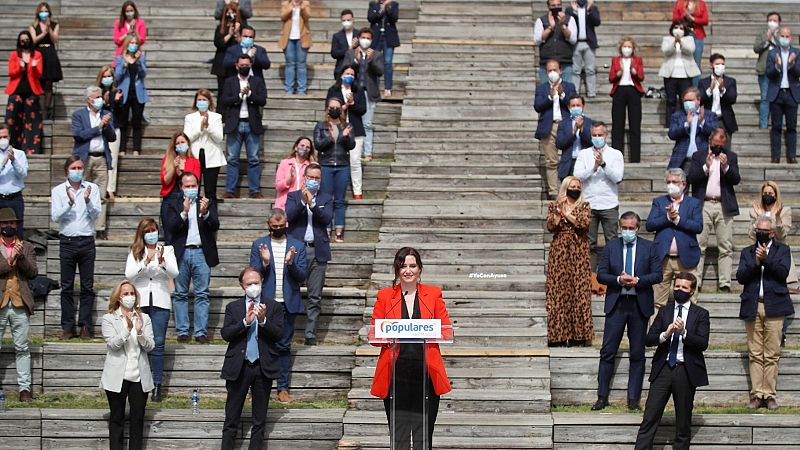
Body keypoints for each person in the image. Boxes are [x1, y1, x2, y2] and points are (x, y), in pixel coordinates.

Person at [370, 247, 451, 449]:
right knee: (400, 438)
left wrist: (428, 330)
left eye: (412, 266)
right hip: (396, 376)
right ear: (396, 270)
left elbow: (446, 329)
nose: (408, 270)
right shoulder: (384, 296)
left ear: (420, 269)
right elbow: (374, 335)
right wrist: (386, 332)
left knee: (424, 437)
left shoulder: (433, 294)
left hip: (426, 376)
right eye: (403, 266)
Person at [593, 211, 662, 411]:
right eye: (624, 228)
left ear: (638, 228)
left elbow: (657, 274)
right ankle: (602, 396)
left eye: (631, 228)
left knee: (637, 354)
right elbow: (601, 275)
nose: (628, 231)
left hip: (639, 304)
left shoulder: (649, 247)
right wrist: (618, 280)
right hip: (617, 304)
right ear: (620, 227)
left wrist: (639, 280)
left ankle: (633, 399)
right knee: (607, 352)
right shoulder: (611, 246)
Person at [634, 272, 709, 450]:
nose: (679, 290)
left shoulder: (701, 314)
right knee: (650, 417)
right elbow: (649, 339)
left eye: (684, 287)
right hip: (663, 369)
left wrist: (684, 333)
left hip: (685, 370)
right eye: (677, 286)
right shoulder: (665, 311)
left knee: (683, 421)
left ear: (692, 291)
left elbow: (702, 343)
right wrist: (665, 334)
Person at [221, 266, 283, 450]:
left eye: (256, 282)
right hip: (239, 366)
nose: (253, 286)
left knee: (259, 420)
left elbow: (279, 334)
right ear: (242, 285)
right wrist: (244, 323)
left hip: (262, 367)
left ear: (262, 282)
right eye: (249, 283)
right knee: (231, 418)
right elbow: (226, 333)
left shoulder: (274, 306)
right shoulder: (233, 307)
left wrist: (263, 321)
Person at [249, 208, 307, 403]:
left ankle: (282, 387)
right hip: (266, 302)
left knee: (283, 346)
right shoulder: (259, 244)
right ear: (268, 225)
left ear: (286, 224)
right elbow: (253, 277)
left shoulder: (297, 245)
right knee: (260, 345)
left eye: (281, 226)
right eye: (274, 227)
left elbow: (302, 277)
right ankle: (256, 386)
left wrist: (290, 263)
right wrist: (264, 263)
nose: (278, 229)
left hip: (287, 303)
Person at [737, 215, 794, 410]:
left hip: (775, 306)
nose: (760, 233)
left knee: (771, 354)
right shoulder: (747, 252)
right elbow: (741, 277)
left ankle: (769, 394)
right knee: (754, 353)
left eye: (764, 230)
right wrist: (755, 261)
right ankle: (756, 394)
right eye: (758, 230)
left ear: (772, 232)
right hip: (753, 305)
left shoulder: (783, 250)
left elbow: (782, 273)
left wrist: (766, 260)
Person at [124, 218, 178, 402]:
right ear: (142, 234)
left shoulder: (167, 249)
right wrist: (145, 261)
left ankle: (157, 384)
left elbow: (174, 273)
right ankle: (140, 381)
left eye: (154, 230)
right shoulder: (135, 251)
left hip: (161, 299)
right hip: (141, 299)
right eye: (148, 231)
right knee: (140, 340)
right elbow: (129, 275)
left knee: (159, 342)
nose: (152, 234)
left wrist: (162, 262)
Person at [162, 172, 220, 343]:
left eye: (194, 186)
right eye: (187, 186)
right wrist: (184, 213)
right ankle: (182, 331)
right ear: (181, 187)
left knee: (202, 293)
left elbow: (215, 224)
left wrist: (205, 213)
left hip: (202, 252)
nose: (191, 189)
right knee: (180, 293)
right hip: (181, 252)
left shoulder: (206, 202)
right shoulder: (173, 203)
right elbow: (170, 227)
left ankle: (201, 332)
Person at [100, 280, 154, 450]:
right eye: (125, 294)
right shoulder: (109, 318)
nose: (129, 297)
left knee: (137, 420)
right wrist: (127, 329)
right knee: (117, 419)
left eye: (132, 293)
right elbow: (113, 345)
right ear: (118, 298)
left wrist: (139, 332)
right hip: (117, 378)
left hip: (139, 377)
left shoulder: (144, 318)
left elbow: (151, 346)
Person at [51, 156, 101, 339]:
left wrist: (87, 201)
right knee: (67, 286)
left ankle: (86, 325)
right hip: (67, 242)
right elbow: (55, 217)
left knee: (87, 286)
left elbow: (96, 214)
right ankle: (68, 326)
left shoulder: (92, 188)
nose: (78, 170)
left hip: (87, 241)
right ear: (67, 170)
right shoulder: (58, 191)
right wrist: (70, 203)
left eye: (80, 167)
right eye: (74, 167)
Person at [286, 163, 333, 345]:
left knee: (315, 296)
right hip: (297, 250)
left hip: (317, 250)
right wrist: (302, 202)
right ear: (304, 177)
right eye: (310, 177)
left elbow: (326, 218)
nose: (313, 180)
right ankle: (287, 332)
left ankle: (310, 333)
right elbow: (289, 216)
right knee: (290, 291)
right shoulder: (293, 196)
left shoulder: (326, 198)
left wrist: (312, 203)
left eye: (317, 178)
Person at [687, 128, 739, 291]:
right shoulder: (698, 156)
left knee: (725, 246)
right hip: (703, 205)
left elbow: (736, 179)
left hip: (723, 205)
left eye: (721, 144)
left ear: (724, 143)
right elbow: (691, 178)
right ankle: (697, 281)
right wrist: (705, 167)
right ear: (710, 141)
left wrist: (726, 167)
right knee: (699, 244)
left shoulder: (730, 157)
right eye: (715, 144)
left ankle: (724, 283)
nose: (718, 147)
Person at [646, 168, 703, 312]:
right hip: (663, 258)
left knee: (690, 300)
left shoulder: (693, 203)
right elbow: (650, 225)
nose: (671, 184)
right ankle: (656, 332)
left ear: (683, 184)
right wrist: (667, 218)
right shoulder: (659, 202)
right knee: (658, 301)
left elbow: (698, 226)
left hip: (686, 258)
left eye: (675, 182)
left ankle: (686, 332)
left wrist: (677, 220)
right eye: (669, 182)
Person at [545, 176, 593, 346]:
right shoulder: (554, 206)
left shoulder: (584, 206)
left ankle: (578, 336)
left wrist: (567, 214)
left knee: (579, 291)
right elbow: (551, 226)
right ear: (565, 188)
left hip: (579, 250)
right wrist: (559, 211)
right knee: (558, 291)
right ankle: (558, 335)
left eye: (577, 186)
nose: (575, 189)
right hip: (560, 251)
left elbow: (583, 223)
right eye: (572, 186)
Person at [573, 121, 624, 270]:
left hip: (609, 204)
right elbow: (577, 175)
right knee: (589, 244)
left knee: (612, 242)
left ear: (606, 135)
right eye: (594, 135)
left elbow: (618, 177)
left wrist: (603, 165)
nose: (597, 138)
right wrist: (593, 167)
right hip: (589, 204)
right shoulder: (584, 154)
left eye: (600, 135)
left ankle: (612, 276)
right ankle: (590, 278)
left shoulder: (615, 154)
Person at [0, 208, 37, 402]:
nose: (8, 226)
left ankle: (25, 389)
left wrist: (20, 257)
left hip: (19, 302)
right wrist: (10, 259)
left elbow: (32, 273)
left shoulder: (27, 247)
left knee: (22, 347)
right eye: (5, 223)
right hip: (1, 302)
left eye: (12, 223)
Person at [221, 54, 267, 199]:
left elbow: (262, 100)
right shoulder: (229, 82)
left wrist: (250, 93)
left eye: (247, 64)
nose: (244, 67)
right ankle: (230, 189)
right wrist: (240, 96)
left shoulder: (257, 81)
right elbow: (225, 100)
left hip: (251, 123)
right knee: (232, 158)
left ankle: (254, 190)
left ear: (251, 65)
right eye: (242, 65)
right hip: (235, 123)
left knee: (253, 158)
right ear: (236, 66)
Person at [72, 86, 116, 239]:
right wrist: (99, 127)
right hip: (84, 159)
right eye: (96, 97)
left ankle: (99, 229)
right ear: (89, 100)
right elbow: (79, 135)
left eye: (100, 97)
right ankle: (81, 226)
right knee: (81, 194)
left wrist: (107, 125)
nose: (100, 100)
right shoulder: (78, 115)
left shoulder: (106, 114)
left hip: (101, 158)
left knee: (101, 195)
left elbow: (112, 138)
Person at [315, 97, 355, 242]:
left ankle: (339, 231)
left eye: (337, 107)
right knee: (326, 199)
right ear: (327, 109)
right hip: (326, 165)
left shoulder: (347, 125)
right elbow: (318, 145)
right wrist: (330, 138)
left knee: (339, 201)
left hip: (342, 165)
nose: (334, 109)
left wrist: (344, 137)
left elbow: (351, 145)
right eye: (331, 107)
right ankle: (326, 229)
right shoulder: (321, 126)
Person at [535, 59, 577, 199]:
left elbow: (574, 104)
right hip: (549, 126)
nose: (552, 73)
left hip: (565, 125)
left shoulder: (569, 86)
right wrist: (550, 97)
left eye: (555, 70)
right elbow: (537, 106)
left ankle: (568, 190)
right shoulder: (542, 88)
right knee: (551, 161)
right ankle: (554, 192)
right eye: (549, 70)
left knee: (568, 158)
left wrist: (562, 94)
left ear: (560, 71)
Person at [749, 181, 799, 294]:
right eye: (765, 193)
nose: (767, 195)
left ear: (776, 195)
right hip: (760, 250)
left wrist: (777, 217)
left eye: (770, 193)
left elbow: (781, 236)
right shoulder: (755, 211)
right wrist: (759, 216)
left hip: (778, 251)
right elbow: (751, 235)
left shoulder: (784, 211)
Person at [327, 66, 367, 199]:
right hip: (338, 128)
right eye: (347, 73)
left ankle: (358, 192)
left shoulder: (358, 90)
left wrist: (353, 103)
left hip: (355, 129)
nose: (349, 75)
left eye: (352, 74)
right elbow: (328, 108)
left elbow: (362, 110)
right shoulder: (333, 90)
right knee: (338, 160)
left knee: (355, 161)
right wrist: (344, 107)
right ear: (341, 75)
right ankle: (336, 192)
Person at [346, 27, 383, 162]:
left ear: (372, 40)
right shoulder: (351, 53)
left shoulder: (377, 54)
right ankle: (352, 150)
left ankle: (367, 153)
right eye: (363, 38)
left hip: (368, 92)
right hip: (354, 91)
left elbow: (379, 71)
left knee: (367, 124)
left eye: (368, 38)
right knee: (352, 123)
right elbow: (344, 69)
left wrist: (370, 60)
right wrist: (355, 61)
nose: (365, 40)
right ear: (358, 38)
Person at [4, 31, 44, 155]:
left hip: (32, 90)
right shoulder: (14, 55)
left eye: (26, 40)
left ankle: (31, 149)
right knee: (13, 119)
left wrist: (32, 66)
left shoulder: (37, 54)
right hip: (17, 90)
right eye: (22, 40)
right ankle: (12, 147)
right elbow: (11, 72)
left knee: (33, 121)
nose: (24, 42)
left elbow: (39, 74)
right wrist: (21, 66)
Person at [159, 131, 201, 244]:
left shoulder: (195, 162)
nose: (180, 144)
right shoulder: (167, 160)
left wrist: (180, 172)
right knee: (169, 234)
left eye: (183, 142)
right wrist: (173, 167)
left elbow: (194, 180)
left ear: (188, 143)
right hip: (170, 199)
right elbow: (165, 181)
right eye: (177, 143)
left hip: (187, 199)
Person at [766, 26, 800, 164]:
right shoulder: (772, 53)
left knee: (791, 127)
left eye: (787, 36)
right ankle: (776, 156)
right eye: (783, 36)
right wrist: (777, 66)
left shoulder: (796, 52)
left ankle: (792, 156)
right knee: (776, 127)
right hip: (777, 92)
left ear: (791, 38)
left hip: (792, 93)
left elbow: (798, 73)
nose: (785, 39)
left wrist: (792, 63)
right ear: (779, 37)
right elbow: (768, 73)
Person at [184, 89, 225, 200]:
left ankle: (211, 215)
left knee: (210, 191)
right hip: (195, 156)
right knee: (193, 189)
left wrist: (208, 127)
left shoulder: (216, 117)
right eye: (199, 100)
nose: (202, 102)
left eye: (204, 100)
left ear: (209, 102)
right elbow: (187, 138)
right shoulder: (189, 118)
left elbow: (219, 138)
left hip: (212, 157)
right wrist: (200, 128)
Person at [609, 36, 644, 162]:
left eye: (629, 47)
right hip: (619, 90)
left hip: (633, 90)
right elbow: (611, 77)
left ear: (633, 49)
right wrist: (618, 73)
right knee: (618, 125)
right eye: (625, 46)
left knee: (635, 125)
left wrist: (635, 72)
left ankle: (635, 158)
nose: (627, 49)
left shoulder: (637, 60)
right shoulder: (616, 60)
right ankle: (617, 158)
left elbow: (641, 76)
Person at [667, 86, 718, 171]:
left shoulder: (709, 115)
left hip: (703, 160)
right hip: (682, 160)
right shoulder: (677, 116)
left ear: (698, 100)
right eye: (685, 101)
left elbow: (715, 133)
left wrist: (702, 122)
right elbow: (672, 134)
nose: (687, 103)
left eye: (690, 100)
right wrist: (686, 124)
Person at [659, 20, 699, 127]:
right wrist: (674, 43)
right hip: (671, 75)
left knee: (684, 102)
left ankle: (684, 123)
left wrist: (681, 43)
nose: (678, 30)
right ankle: (669, 124)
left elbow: (690, 50)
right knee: (670, 100)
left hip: (685, 76)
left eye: (681, 28)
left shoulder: (689, 39)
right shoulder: (667, 39)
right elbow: (666, 51)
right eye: (676, 27)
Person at [114, 34, 148, 157]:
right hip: (124, 93)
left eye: (135, 43)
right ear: (127, 44)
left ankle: (136, 149)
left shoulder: (141, 58)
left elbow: (144, 74)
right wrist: (125, 65)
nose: (133, 46)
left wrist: (138, 63)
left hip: (138, 93)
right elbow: (117, 77)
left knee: (137, 121)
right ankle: (122, 148)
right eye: (131, 43)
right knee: (123, 122)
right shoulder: (120, 58)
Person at [29, 2, 62, 119]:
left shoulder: (54, 25)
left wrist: (49, 29)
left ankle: (47, 108)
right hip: (38, 53)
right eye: (42, 11)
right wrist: (43, 33)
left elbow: (55, 40)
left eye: (46, 11)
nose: (44, 13)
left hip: (50, 54)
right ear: (38, 13)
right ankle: (37, 108)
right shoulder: (33, 26)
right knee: (37, 81)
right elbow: (33, 40)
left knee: (49, 83)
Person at [95, 66, 124, 201]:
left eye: (109, 76)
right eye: (104, 76)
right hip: (100, 127)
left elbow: (117, 111)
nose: (107, 79)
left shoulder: (117, 92)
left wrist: (114, 101)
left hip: (114, 128)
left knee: (113, 159)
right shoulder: (96, 93)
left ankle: (110, 188)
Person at [534, 0, 577, 84]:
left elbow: (573, 39)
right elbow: (537, 40)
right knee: (546, 92)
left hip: (565, 63)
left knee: (566, 91)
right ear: (548, 7)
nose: (556, 7)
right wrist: (550, 27)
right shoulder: (541, 20)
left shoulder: (570, 19)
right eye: (553, 6)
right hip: (546, 64)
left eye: (558, 5)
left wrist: (563, 26)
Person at [699, 54, 738, 142]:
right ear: (711, 65)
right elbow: (699, 100)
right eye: (717, 64)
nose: (720, 66)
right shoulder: (703, 82)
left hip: (724, 119)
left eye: (722, 64)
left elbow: (732, 99)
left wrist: (722, 89)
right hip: (708, 119)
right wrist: (710, 90)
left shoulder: (730, 81)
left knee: (725, 148)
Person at [565, 0, 600, 97]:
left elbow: (597, 22)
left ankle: (591, 92)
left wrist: (589, 10)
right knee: (575, 70)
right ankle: (575, 92)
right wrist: (574, 12)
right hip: (576, 43)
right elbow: (567, 23)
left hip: (589, 43)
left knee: (590, 69)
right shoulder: (569, 10)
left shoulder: (593, 9)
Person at [555, 94, 594, 180]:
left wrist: (582, 129)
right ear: (569, 107)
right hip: (569, 163)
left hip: (585, 163)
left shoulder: (591, 123)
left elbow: (593, 142)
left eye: (578, 105)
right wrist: (573, 132)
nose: (576, 108)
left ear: (583, 106)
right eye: (573, 106)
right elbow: (559, 144)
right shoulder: (563, 124)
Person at [212, 2, 245, 99]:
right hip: (222, 63)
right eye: (229, 13)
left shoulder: (241, 28)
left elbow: (243, 44)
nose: (231, 15)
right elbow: (218, 43)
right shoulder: (220, 28)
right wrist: (229, 34)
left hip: (235, 63)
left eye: (233, 13)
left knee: (234, 90)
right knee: (222, 92)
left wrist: (237, 33)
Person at [0, 126, 29, 238]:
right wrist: (4, 161)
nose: (3, 139)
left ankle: (18, 255)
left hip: (15, 198)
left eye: (5, 136)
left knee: (18, 230)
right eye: (0, 137)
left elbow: (23, 174)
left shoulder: (19, 153)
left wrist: (13, 161)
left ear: (9, 137)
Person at [754, 12, 781, 129]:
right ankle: (763, 125)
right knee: (765, 98)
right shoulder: (762, 33)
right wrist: (767, 39)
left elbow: (785, 47)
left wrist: (774, 37)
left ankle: (777, 125)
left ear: (779, 22)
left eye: (775, 20)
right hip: (764, 70)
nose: (772, 22)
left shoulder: (782, 34)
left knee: (777, 98)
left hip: (777, 70)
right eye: (770, 20)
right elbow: (756, 48)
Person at [672, 0, 709, 86]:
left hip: (697, 35)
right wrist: (684, 15)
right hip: (684, 35)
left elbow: (705, 20)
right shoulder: (679, 3)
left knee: (696, 63)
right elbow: (674, 19)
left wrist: (693, 19)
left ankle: (694, 89)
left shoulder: (701, 3)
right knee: (684, 62)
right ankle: (683, 89)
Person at [368, 0, 399, 97]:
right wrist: (381, 9)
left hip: (388, 37)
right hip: (376, 36)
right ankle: (375, 87)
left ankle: (388, 88)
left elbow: (394, 18)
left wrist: (387, 7)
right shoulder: (373, 4)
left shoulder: (394, 4)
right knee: (375, 62)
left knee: (387, 62)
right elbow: (371, 18)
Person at [280, 0, 311, 96]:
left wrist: (301, 9)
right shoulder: (285, 4)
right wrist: (291, 8)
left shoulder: (305, 4)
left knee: (301, 64)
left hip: (302, 38)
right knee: (290, 64)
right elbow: (283, 17)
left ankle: (302, 89)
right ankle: (289, 89)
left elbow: (307, 17)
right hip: (288, 38)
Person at [274, 136, 314, 210]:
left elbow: (316, 187)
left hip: (303, 205)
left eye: (308, 147)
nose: (304, 148)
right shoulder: (284, 163)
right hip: (284, 205)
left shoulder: (312, 166)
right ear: (296, 147)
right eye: (302, 145)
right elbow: (278, 187)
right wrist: (289, 178)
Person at [331, 9, 357, 79]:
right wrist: (349, 49)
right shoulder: (337, 36)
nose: (346, 22)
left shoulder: (359, 34)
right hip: (341, 68)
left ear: (353, 20)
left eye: (348, 20)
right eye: (344, 20)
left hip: (357, 69)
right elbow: (334, 53)